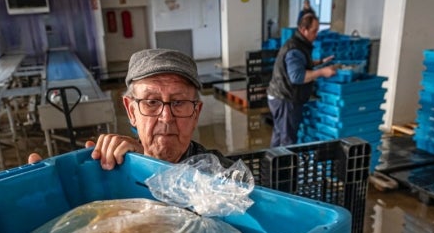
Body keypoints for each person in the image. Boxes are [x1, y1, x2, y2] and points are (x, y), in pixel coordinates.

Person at [28, 48, 230, 169]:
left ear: (196, 113)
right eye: (152, 102)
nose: (166, 118)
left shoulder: (221, 174)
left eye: (178, 102)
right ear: (131, 111)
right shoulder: (106, 171)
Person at [267, 13, 336, 148]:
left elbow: (300, 64)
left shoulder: (298, 44)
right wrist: (322, 72)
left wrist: (321, 62)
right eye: (314, 31)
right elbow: (297, 77)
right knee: (287, 140)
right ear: (304, 30)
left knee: (279, 133)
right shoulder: (295, 49)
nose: (316, 34)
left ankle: (272, 165)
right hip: (285, 98)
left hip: (279, 95)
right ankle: (283, 168)